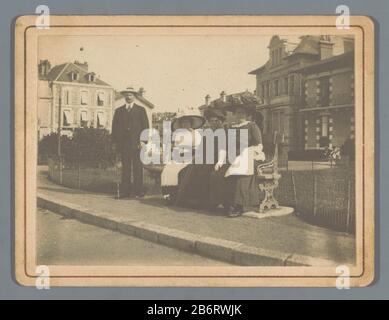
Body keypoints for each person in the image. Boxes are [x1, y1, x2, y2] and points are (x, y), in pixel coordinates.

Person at [175, 108, 228, 211]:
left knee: (204, 172)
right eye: (211, 121)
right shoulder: (207, 132)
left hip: (217, 158)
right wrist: (195, 157)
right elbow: (201, 147)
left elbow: (224, 148)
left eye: (216, 121)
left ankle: (206, 202)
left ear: (220, 121)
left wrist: (220, 160)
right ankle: (190, 199)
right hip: (205, 158)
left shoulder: (223, 132)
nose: (213, 123)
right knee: (186, 170)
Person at [220, 105, 265, 217]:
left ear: (247, 115)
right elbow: (226, 145)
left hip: (249, 156)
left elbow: (258, 144)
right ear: (235, 114)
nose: (240, 115)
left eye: (243, 113)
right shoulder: (231, 127)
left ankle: (239, 206)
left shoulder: (252, 126)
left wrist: (247, 152)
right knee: (219, 173)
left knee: (240, 174)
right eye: (238, 112)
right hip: (233, 156)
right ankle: (226, 203)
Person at [111, 87, 149, 199]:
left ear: (134, 96)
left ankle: (138, 192)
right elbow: (115, 128)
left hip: (137, 143)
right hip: (124, 144)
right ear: (124, 96)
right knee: (125, 168)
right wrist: (115, 143)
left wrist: (143, 141)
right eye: (126, 95)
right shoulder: (119, 111)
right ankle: (125, 192)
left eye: (131, 95)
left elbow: (146, 127)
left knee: (137, 168)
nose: (128, 97)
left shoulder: (141, 110)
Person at [161, 113, 204, 204]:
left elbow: (198, 148)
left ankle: (181, 196)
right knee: (168, 169)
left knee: (181, 171)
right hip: (179, 157)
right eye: (183, 122)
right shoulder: (178, 134)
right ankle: (169, 195)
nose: (185, 124)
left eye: (187, 122)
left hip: (191, 157)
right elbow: (175, 147)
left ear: (191, 123)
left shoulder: (196, 134)